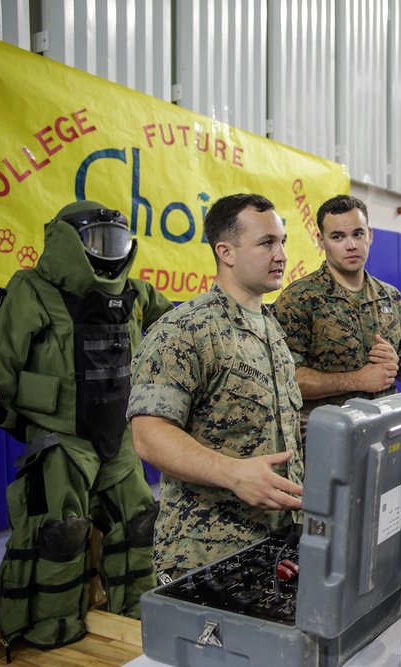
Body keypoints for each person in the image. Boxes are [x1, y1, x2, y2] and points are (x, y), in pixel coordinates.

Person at [0, 201, 173, 648]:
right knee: (59, 534)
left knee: (140, 525)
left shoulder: (136, 292)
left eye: (117, 240)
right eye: (96, 240)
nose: (109, 251)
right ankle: (48, 628)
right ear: (69, 242)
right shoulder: (33, 289)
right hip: (60, 439)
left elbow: (180, 326)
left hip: (120, 440)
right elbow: (2, 347)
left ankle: (139, 619)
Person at [128, 193, 305, 581]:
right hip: (207, 553)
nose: (281, 255)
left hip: (276, 542)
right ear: (226, 252)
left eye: (282, 242)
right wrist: (232, 473)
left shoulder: (271, 329)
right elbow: (149, 436)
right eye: (266, 243)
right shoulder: (185, 330)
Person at [271, 194, 401, 440]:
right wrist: (357, 380)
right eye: (337, 237)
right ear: (320, 241)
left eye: (357, 234)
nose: (351, 245)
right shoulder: (299, 299)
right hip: (325, 436)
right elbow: (287, 380)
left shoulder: (390, 297)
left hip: (386, 430)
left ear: (370, 235)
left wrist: (400, 364)